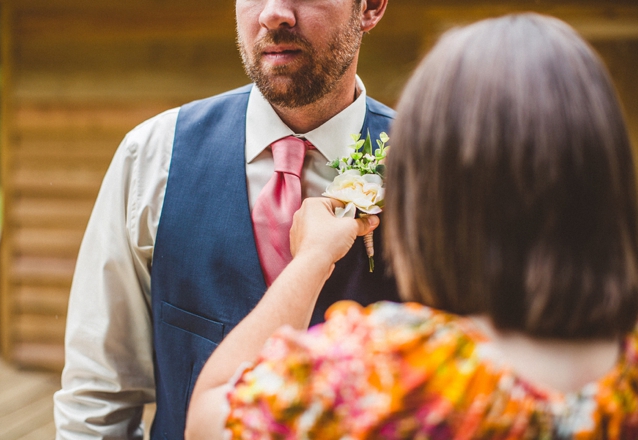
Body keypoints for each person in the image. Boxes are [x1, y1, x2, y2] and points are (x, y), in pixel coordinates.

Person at [186, 13, 638, 439]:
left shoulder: (394, 373)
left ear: (433, 191)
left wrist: (312, 259)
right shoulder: (626, 382)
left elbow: (212, 416)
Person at [53, 0, 400, 439]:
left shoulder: (432, 169)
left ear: (369, 8)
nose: (275, 13)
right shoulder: (154, 156)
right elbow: (97, 398)